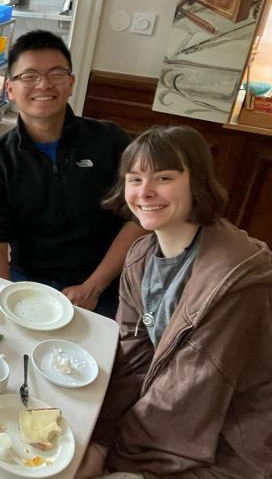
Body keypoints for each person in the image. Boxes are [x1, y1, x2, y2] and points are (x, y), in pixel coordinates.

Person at [76, 125, 272, 478]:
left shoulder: (232, 281)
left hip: (229, 438)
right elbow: (132, 359)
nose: (145, 192)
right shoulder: (140, 256)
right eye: (134, 179)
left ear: (196, 182)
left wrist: (121, 460)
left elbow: (191, 392)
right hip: (170, 419)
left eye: (163, 177)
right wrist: (102, 441)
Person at [0, 30, 145, 317]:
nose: (44, 84)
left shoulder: (110, 140)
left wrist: (93, 287)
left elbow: (138, 215)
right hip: (28, 280)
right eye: (29, 76)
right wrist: (3, 303)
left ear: (71, 83)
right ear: (10, 90)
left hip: (108, 281)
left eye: (56, 74)